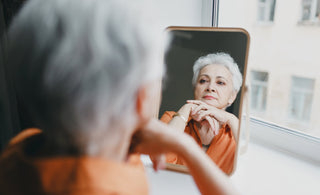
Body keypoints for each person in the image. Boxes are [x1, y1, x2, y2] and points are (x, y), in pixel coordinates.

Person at [0, 0, 240, 194]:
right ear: (140, 99)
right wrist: (186, 146)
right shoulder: (115, 187)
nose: (210, 87)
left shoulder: (20, 146)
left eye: (220, 83)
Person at [161, 52, 243, 174]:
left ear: (232, 96)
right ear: (195, 89)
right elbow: (160, 158)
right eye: (203, 80)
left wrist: (231, 119)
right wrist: (186, 108)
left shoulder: (236, 131)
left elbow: (253, 167)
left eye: (220, 82)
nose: (210, 87)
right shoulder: (172, 118)